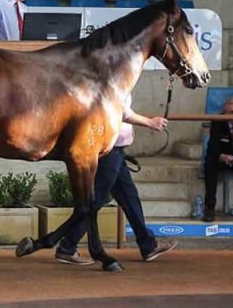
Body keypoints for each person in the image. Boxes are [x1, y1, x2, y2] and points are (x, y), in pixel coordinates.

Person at [54, 102, 177, 266]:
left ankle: (148, 245)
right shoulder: (113, 81)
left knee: (129, 197)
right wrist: (150, 122)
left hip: (116, 149)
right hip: (109, 149)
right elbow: (123, 112)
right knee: (96, 200)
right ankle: (67, 247)